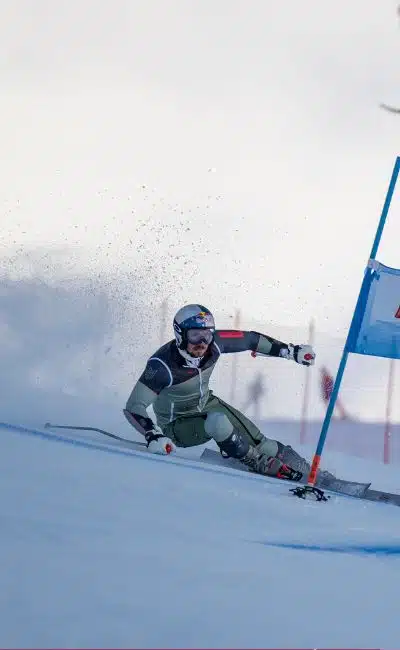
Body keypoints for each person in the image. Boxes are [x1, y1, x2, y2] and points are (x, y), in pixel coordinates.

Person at [124, 304, 316, 481]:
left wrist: (290, 351)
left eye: (207, 335)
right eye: (195, 335)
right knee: (218, 421)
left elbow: (251, 340)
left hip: (206, 404)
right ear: (180, 334)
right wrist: (153, 434)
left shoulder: (215, 344)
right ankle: (256, 461)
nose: (202, 343)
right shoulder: (162, 365)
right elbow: (134, 406)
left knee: (263, 444)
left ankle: (309, 471)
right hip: (176, 425)